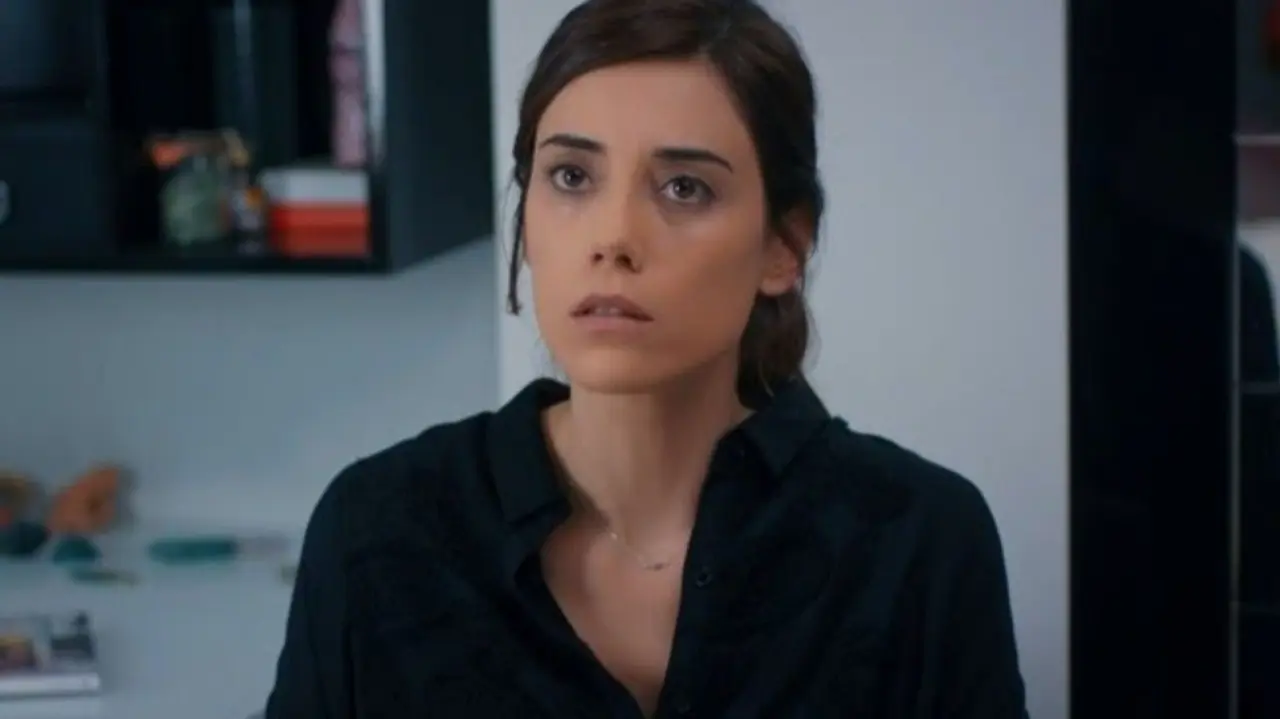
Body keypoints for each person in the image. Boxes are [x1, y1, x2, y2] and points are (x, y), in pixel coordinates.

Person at [263, 0, 1028, 716]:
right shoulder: (378, 529)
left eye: (684, 187)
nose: (614, 238)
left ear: (783, 245)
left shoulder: (917, 539)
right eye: (571, 177)